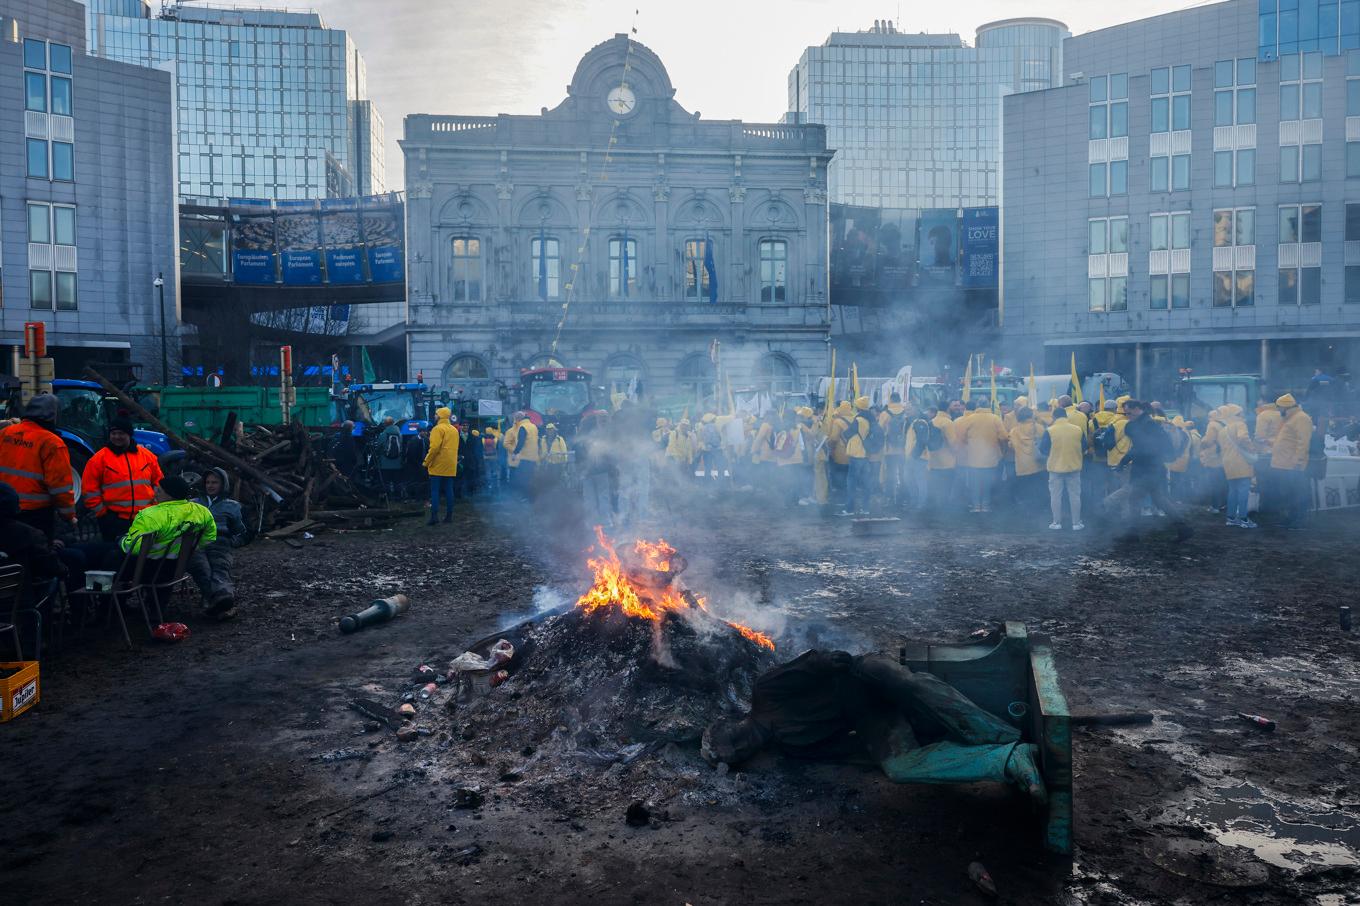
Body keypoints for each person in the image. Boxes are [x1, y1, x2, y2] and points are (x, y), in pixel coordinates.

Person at [701, 650, 1046, 807]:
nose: (745, 744)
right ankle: (1008, 758)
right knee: (899, 767)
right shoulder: (793, 746)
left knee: (910, 686)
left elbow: (810, 664)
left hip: (863, 674)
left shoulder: (765, 692)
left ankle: (1002, 735)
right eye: (740, 752)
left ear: (735, 724)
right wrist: (888, 751)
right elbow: (852, 751)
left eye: (736, 738)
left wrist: (832, 661)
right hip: (871, 719)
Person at [1103, 400, 1191, 539]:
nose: (1127, 415)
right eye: (1125, 413)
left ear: (1138, 409)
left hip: (1147, 470)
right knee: (1159, 499)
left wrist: (1122, 463)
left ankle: (1132, 532)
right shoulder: (1144, 424)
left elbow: (1140, 449)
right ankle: (1183, 527)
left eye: (1129, 412)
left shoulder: (1145, 426)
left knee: (1134, 498)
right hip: (1151, 468)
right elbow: (1139, 448)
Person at [0, 394, 76, 539]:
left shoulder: (6, 433)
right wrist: (69, 516)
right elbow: (60, 487)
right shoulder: (52, 443)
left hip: (4, 509)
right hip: (35, 514)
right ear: (53, 415)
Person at [81, 416, 163, 542]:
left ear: (129, 434)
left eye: (121, 433)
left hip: (145, 518)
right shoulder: (98, 459)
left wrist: (155, 507)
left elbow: (159, 483)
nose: (117, 437)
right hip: (114, 520)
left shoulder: (147, 456)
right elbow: (89, 490)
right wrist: (103, 513)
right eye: (113, 433)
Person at [187, 468, 246, 618]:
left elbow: (240, 530)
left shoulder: (232, 506)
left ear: (223, 484)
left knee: (219, 567)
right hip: (197, 542)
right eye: (207, 482)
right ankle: (221, 601)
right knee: (201, 567)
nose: (210, 485)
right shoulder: (193, 504)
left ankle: (219, 600)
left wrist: (233, 542)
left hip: (220, 542)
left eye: (215, 482)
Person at [1270, 394, 1314, 530]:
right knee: (1288, 494)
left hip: (1293, 465)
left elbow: (1303, 442)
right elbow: (1287, 440)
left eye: (1279, 408)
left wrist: (1298, 462)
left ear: (1285, 407)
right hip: (1284, 464)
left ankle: (1299, 522)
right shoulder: (1290, 418)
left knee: (1298, 494)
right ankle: (1290, 519)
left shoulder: (1301, 418)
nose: (1278, 411)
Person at [957, 399, 1007, 514]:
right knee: (987, 483)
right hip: (991, 458)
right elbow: (1004, 436)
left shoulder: (970, 419)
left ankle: (976, 506)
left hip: (973, 458)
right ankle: (985, 506)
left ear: (978, 406)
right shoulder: (995, 418)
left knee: (975, 483)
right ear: (989, 406)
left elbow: (962, 437)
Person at [1039, 408, 1086, 530]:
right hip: (1074, 467)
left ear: (1054, 417)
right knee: (1075, 496)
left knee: (1055, 496)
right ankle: (1076, 523)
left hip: (1055, 468)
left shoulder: (1050, 430)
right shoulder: (1078, 430)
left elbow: (1043, 449)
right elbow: (1084, 447)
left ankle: (1056, 522)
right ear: (1066, 416)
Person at [1216, 404, 1257, 528]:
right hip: (1241, 462)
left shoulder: (1222, 430)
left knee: (1232, 491)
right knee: (1243, 490)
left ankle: (1231, 518)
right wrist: (1252, 449)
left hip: (1228, 463)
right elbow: (1243, 438)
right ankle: (1244, 519)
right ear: (1237, 415)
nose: (1243, 415)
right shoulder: (1240, 424)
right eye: (1241, 413)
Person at [422, 407, 460, 525]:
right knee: (449, 490)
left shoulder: (437, 429)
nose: (434, 416)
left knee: (435, 491)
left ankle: (434, 517)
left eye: (436, 414)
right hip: (451, 464)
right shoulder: (454, 430)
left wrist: (426, 462)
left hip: (438, 464)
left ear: (440, 416)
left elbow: (434, 448)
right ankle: (449, 516)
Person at [1008, 407, 1045, 517]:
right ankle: (1039, 510)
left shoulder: (1014, 431)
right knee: (1038, 488)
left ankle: (1028, 511)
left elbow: (1011, 446)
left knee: (1025, 489)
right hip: (1038, 463)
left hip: (1022, 465)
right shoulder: (1038, 428)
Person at [841, 397, 875, 516]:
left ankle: (850, 509)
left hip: (856, 454)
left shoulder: (859, 419)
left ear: (859, 407)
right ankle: (866, 508)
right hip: (865, 454)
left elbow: (848, 433)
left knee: (852, 483)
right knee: (866, 483)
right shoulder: (870, 419)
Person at [879, 393, 909, 506]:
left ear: (891, 400)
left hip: (889, 449)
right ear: (900, 399)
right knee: (903, 474)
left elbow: (880, 430)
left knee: (890, 474)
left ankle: (889, 497)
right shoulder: (906, 412)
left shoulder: (885, 413)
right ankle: (903, 497)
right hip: (904, 449)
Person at [506, 411, 540, 500]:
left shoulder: (522, 427)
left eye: (515, 419)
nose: (515, 421)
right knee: (531, 477)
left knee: (523, 478)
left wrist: (515, 453)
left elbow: (521, 442)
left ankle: (525, 497)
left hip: (526, 457)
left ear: (518, 419)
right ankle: (532, 497)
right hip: (534, 457)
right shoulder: (534, 426)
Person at [377, 416, 404, 497]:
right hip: (398, 463)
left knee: (386, 481)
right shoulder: (400, 434)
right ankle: (398, 496)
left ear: (385, 424)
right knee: (397, 481)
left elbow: (378, 447)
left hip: (385, 463)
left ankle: (388, 496)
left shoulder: (383, 434)